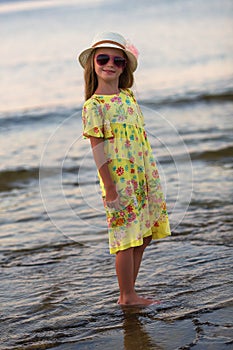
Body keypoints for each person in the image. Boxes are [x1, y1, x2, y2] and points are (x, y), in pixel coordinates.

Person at [78, 32, 171, 306]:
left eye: (117, 61)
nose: (110, 64)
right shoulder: (94, 105)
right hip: (119, 180)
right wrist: (109, 187)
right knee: (126, 239)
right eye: (103, 59)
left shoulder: (128, 96)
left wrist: (150, 175)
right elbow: (97, 148)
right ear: (92, 64)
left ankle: (130, 291)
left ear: (124, 67)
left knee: (144, 235)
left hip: (143, 176)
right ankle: (127, 296)